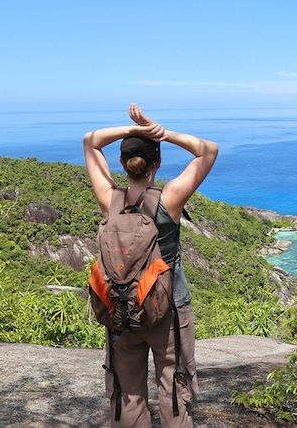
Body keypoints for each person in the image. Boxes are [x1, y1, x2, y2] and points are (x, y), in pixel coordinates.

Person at [83, 103, 218, 427]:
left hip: (122, 310)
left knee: (127, 398)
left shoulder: (109, 199)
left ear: (122, 163)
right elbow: (208, 151)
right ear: (157, 163)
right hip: (169, 310)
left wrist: (133, 131)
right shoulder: (168, 199)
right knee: (173, 394)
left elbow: (90, 141)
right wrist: (161, 131)